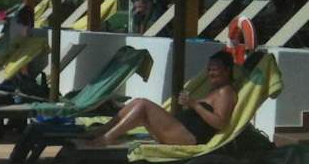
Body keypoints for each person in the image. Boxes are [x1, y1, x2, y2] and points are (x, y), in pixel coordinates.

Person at [86, 49, 237, 148]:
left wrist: (195, 104)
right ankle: (103, 130)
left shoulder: (226, 92)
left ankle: (108, 138)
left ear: (227, 70)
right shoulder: (215, 90)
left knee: (143, 105)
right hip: (181, 130)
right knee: (138, 102)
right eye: (209, 69)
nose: (210, 73)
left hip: (187, 137)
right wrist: (191, 105)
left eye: (214, 70)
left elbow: (220, 123)